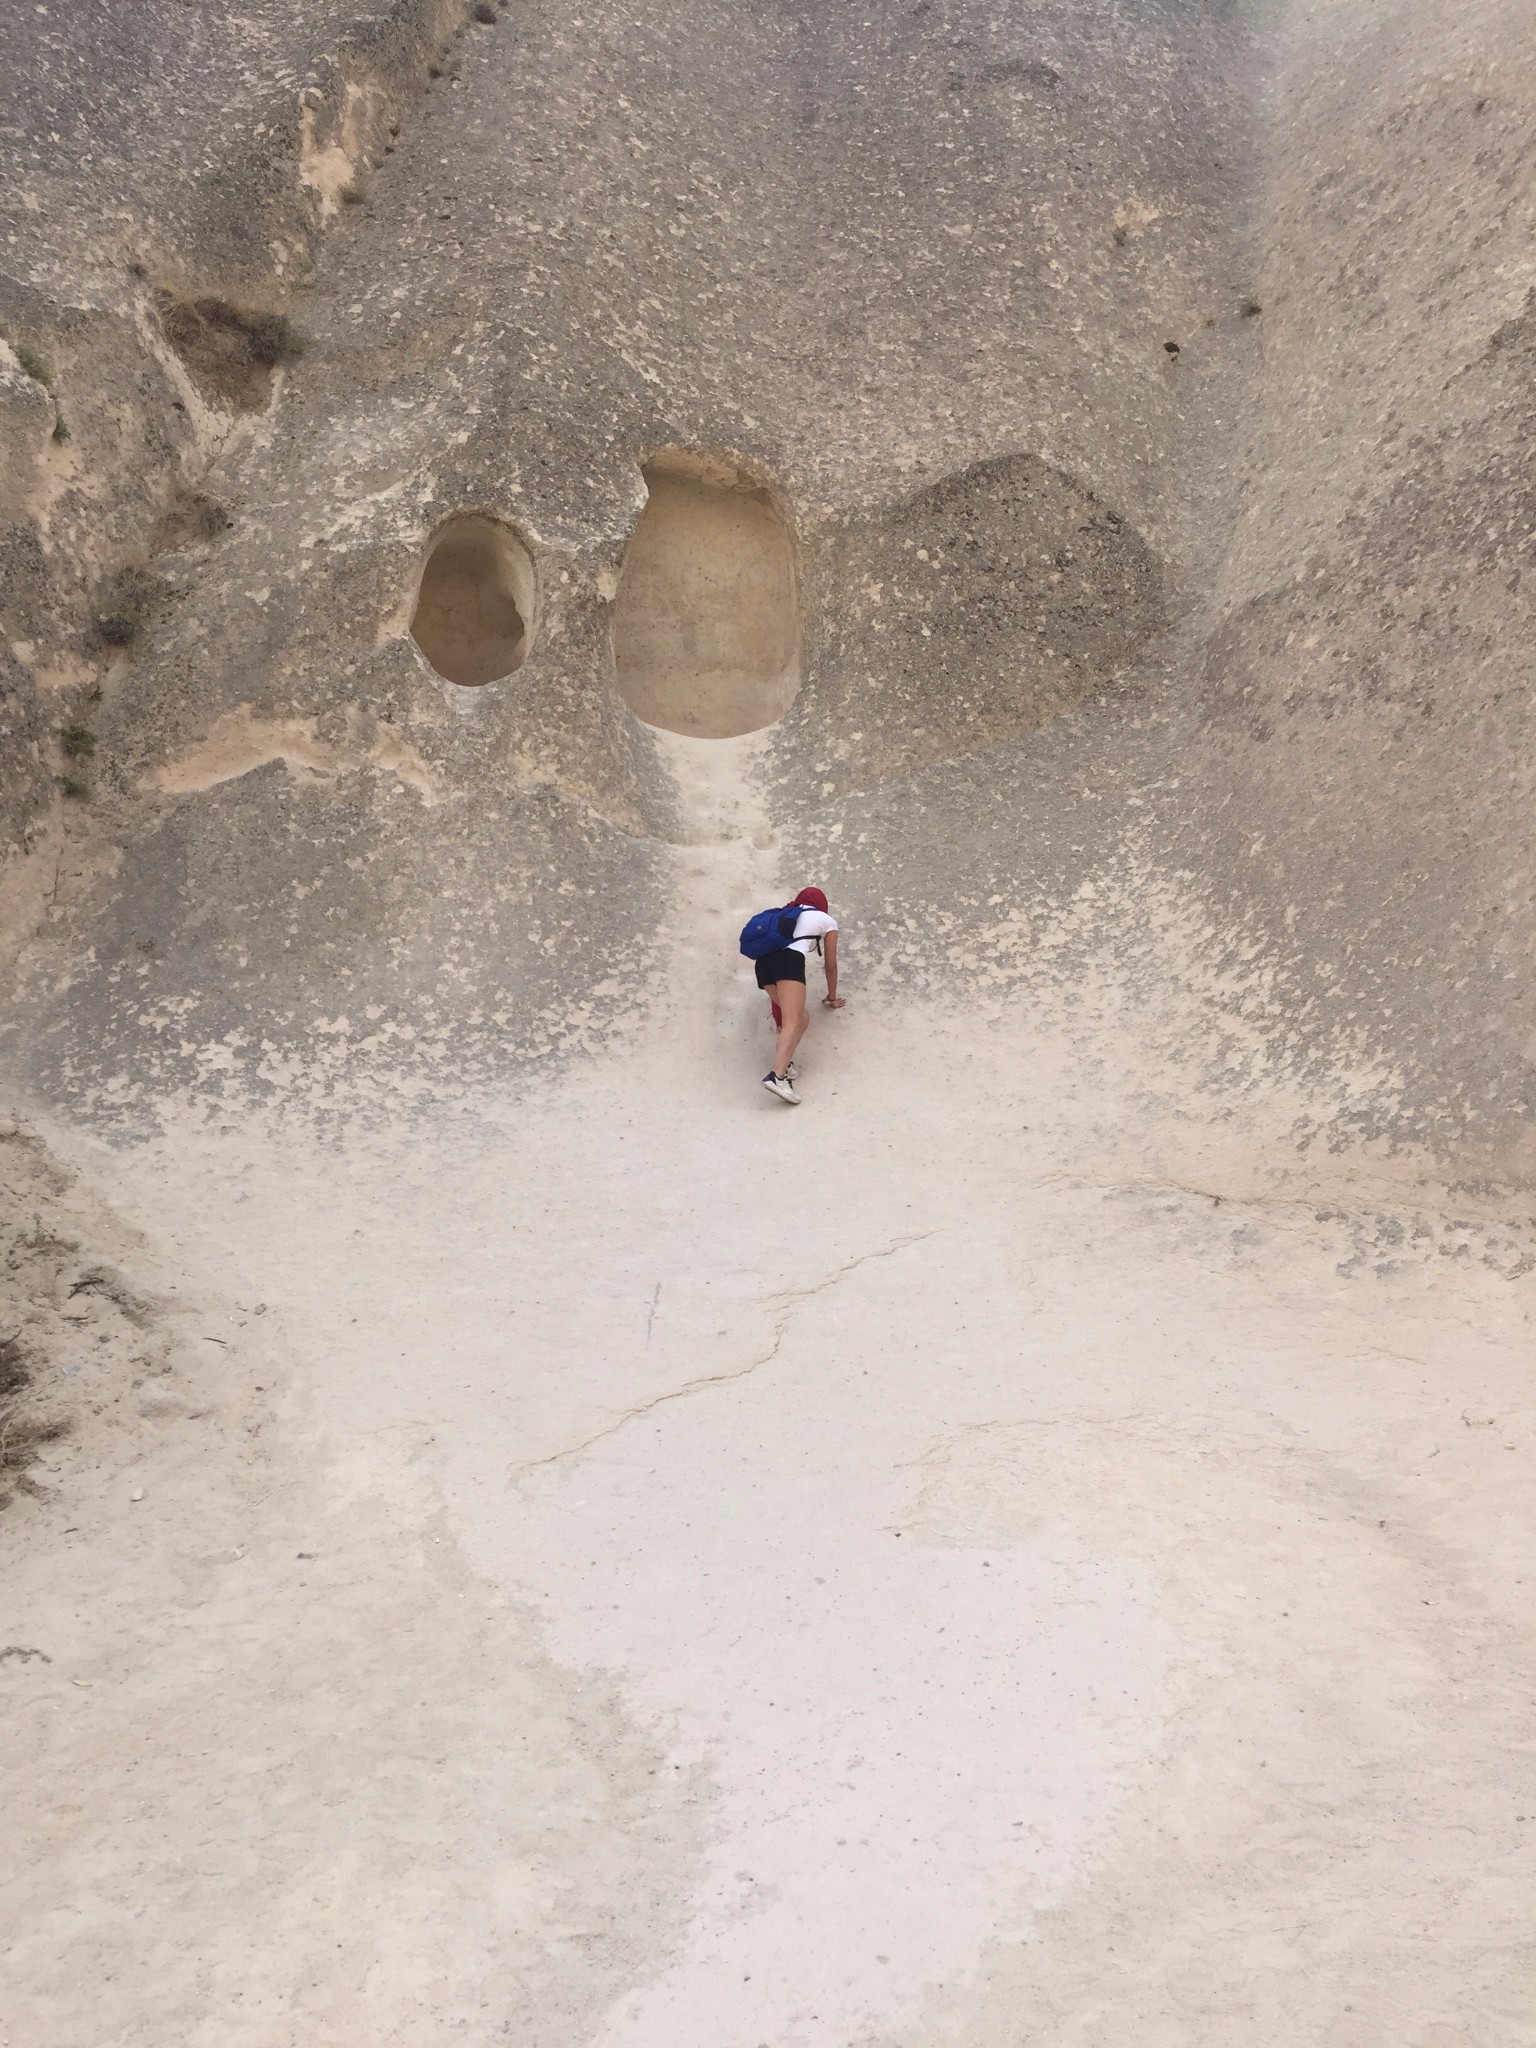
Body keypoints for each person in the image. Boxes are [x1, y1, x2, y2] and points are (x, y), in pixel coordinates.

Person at [757, 887, 844, 1104]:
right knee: (795, 1021)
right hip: (788, 962)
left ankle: (785, 1066)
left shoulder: (786, 914)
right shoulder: (826, 920)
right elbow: (830, 965)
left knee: (801, 1018)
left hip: (763, 964)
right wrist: (831, 996)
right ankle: (777, 1076)